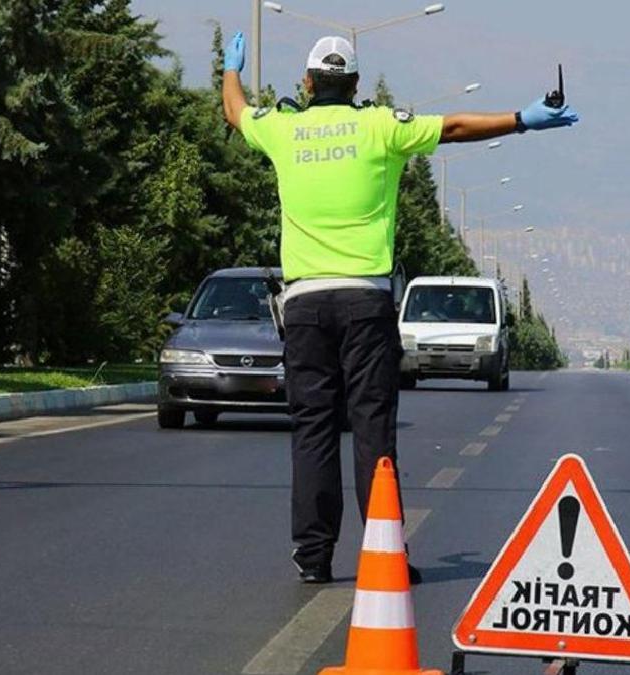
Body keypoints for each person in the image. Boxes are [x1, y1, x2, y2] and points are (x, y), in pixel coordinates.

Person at [221, 31, 579, 583]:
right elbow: (456, 128)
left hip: (305, 305)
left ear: (308, 83)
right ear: (357, 85)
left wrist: (230, 69)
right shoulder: (380, 126)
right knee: (372, 428)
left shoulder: (283, 130)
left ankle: (313, 559)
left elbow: (236, 111)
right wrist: (522, 119)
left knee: (313, 429)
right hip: (366, 303)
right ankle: (383, 552)